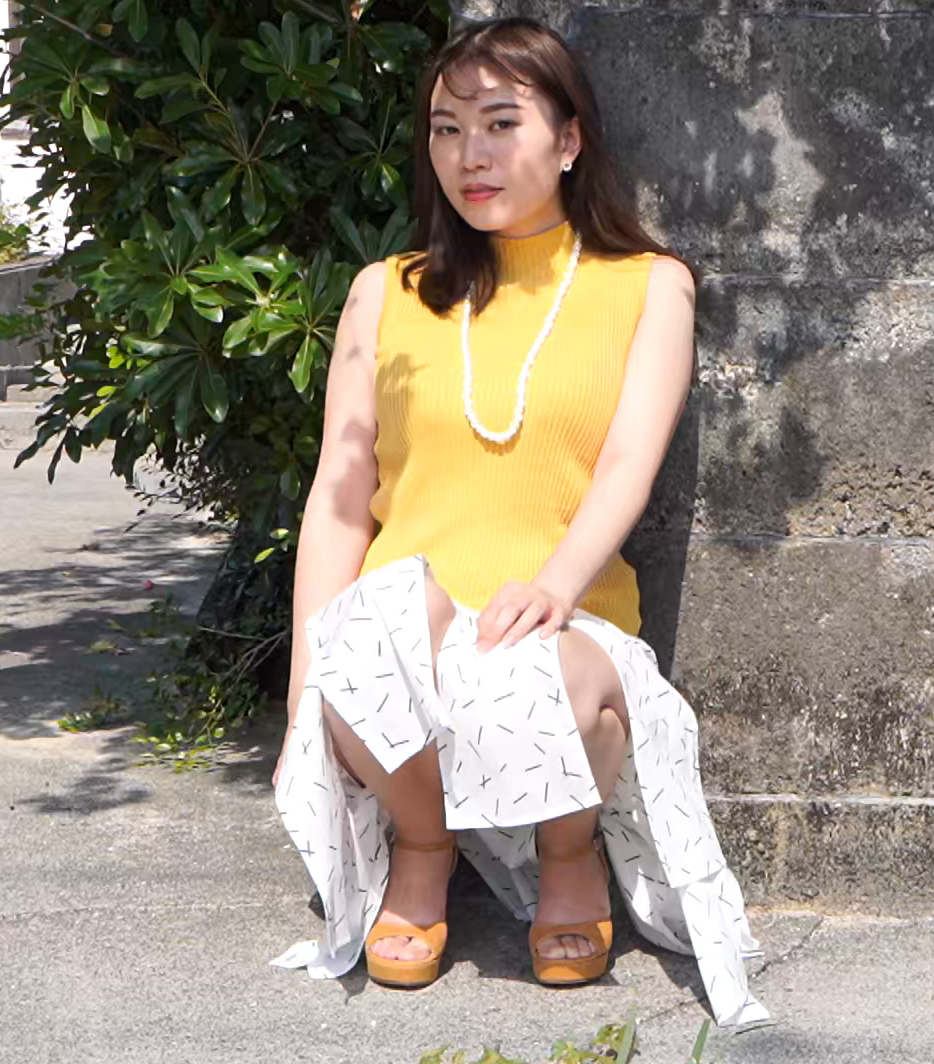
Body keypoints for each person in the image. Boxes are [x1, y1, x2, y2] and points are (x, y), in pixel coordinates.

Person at [268, 16, 768, 1029]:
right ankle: (424, 847)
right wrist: (300, 704)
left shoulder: (648, 285)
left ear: (568, 139)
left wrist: (554, 584)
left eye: (501, 123)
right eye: (447, 129)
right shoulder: (383, 293)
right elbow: (340, 496)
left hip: (562, 622)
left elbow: (629, 463)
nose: (471, 155)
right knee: (358, 642)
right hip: (417, 632)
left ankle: (567, 850)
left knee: (547, 677)